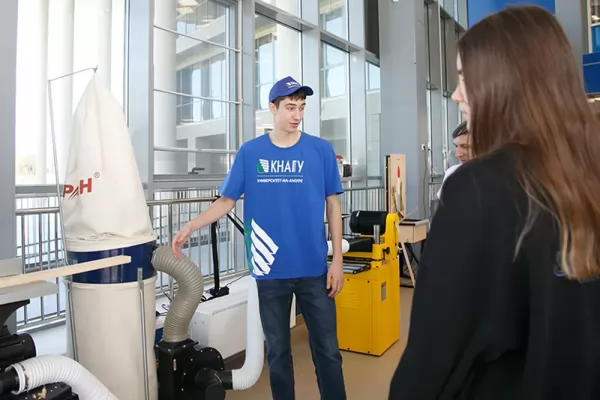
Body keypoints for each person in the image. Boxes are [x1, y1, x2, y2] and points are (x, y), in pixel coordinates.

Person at [389, 5, 600, 400]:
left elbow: (434, 357)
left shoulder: (476, 189)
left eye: (464, 78)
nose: (456, 94)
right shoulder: (586, 177)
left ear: (503, 81)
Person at [172, 76, 347, 400]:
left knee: (328, 351)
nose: (297, 115)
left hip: (314, 269)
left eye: (302, 107)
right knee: (278, 354)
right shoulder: (251, 153)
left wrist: (337, 259)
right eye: (290, 107)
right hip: (270, 271)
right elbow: (227, 201)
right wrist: (192, 226)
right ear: (273, 108)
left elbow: (333, 204)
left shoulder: (320, 150)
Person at [436, 121, 471, 199]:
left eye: (465, 146)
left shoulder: (497, 179)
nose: (457, 154)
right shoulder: (453, 173)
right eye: (456, 146)